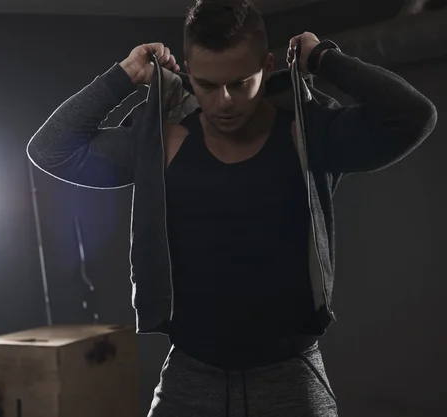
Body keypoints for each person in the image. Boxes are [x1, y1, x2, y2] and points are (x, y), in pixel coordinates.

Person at [27, 0, 437, 415]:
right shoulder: (163, 143)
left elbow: (412, 117)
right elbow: (51, 150)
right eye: (207, 84)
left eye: (241, 82)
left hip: (290, 377)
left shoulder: (307, 133)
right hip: (191, 376)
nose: (224, 101)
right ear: (187, 71)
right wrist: (124, 76)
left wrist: (324, 59)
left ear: (267, 64)